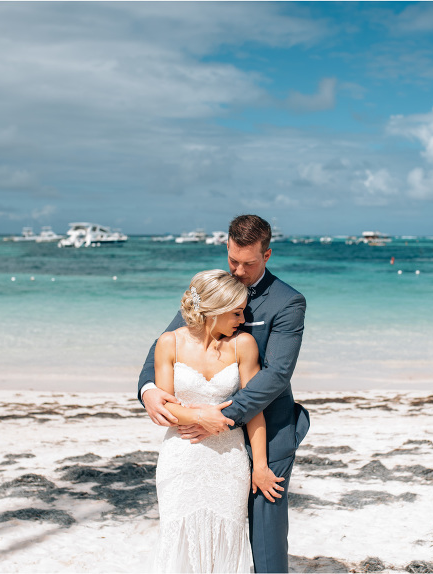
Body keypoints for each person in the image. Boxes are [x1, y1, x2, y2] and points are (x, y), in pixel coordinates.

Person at [139, 214, 309, 573]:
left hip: (267, 427)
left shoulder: (287, 302)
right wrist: (148, 390)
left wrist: (221, 418)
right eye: (233, 260)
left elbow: (277, 375)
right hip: (198, 439)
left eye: (248, 263)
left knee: (264, 532)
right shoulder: (213, 292)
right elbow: (165, 347)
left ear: (267, 255)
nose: (239, 270)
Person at [152, 270, 284, 572]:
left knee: (228, 540)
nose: (242, 319)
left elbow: (255, 410)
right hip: (181, 456)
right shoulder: (168, 343)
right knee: (180, 539)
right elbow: (165, 407)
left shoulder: (244, 345)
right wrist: (204, 416)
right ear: (214, 310)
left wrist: (260, 467)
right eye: (236, 312)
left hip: (229, 461)